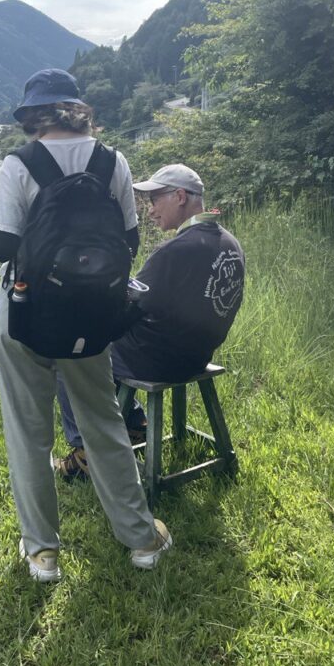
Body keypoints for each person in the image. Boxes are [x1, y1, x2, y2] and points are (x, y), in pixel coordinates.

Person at [0, 68, 171, 581]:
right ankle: (141, 539)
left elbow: (1, 246)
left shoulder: (19, 163)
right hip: (92, 311)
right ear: (78, 109)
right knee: (103, 420)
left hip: (24, 309)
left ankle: (42, 553)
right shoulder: (112, 160)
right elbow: (130, 241)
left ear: (32, 115)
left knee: (28, 432)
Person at [56, 163, 245, 479]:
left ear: (180, 196)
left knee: (69, 352)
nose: (150, 211)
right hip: (197, 354)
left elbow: (127, 307)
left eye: (155, 200)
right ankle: (136, 425)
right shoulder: (229, 242)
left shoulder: (175, 250)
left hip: (158, 360)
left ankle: (85, 452)